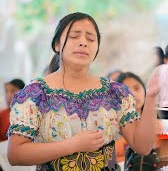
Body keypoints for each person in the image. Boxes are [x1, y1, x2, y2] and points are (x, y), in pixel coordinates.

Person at [6, 12, 159, 171]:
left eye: (91, 39)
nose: (83, 42)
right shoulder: (36, 93)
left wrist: (152, 98)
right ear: (57, 44)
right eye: (74, 36)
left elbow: (142, 146)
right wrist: (72, 145)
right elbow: (15, 154)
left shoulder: (114, 93)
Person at [115, 72, 160, 170]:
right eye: (126, 90)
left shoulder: (159, 125)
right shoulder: (110, 129)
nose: (133, 94)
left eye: (136, 88)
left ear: (145, 90)